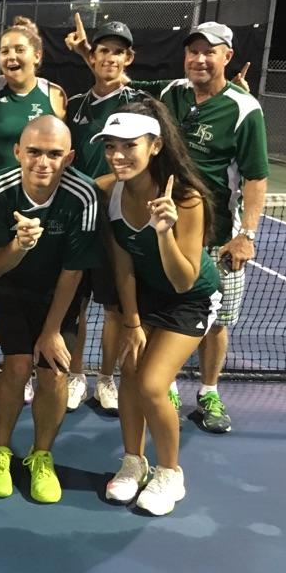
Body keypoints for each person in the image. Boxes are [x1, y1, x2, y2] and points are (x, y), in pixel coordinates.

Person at [84, 22, 266, 433]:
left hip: (217, 236)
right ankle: (156, 392)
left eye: (210, 52)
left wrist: (246, 234)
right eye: (193, 51)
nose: (199, 59)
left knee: (217, 321)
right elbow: (119, 78)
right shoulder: (171, 93)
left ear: (227, 57)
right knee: (146, 326)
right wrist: (86, 54)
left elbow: (255, 176)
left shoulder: (244, 109)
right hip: (158, 223)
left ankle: (208, 392)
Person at [94, 100, 222, 515]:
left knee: (151, 384)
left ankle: (171, 472)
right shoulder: (109, 191)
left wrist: (163, 232)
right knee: (129, 376)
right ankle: (134, 461)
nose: (118, 155)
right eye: (111, 145)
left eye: (129, 145)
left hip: (191, 298)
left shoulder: (186, 199)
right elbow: (123, 263)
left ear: (154, 146)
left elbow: (184, 278)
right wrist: (131, 322)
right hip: (145, 296)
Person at [0, 116, 100, 504]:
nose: (43, 162)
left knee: (53, 373)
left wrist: (50, 332)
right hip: (10, 286)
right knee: (14, 366)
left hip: (59, 292)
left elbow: (74, 270)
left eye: (54, 154)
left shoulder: (84, 195)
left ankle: (42, 455)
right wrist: (20, 246)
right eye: (33, 152)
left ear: (69, 157)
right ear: (18, 152)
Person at [0, 18, 66, 402]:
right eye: (4, 50)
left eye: (19, 49)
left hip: (39, 206)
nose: (10, 56)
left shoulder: (54, 95)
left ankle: (21, 364)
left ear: (37, 56)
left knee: (32, 287)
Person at [62, 16, 148, 413]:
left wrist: (97, 186)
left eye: (117, 51)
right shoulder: (76, 106)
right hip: (78, 222)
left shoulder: (137, 104)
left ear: (129, 57)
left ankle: (107, 378)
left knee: (114, 307)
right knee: (74, 304)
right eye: (102, 51)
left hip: (117, 221)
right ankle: (76, 375)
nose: (109, 58)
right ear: (92, 55)